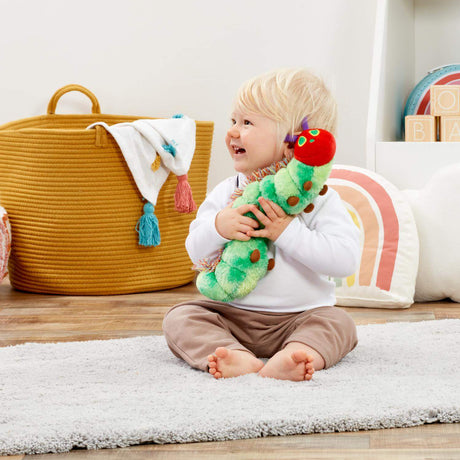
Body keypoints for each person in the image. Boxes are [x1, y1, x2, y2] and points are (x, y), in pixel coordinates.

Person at [162, 68, 360, 381]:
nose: (233, 132)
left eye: (247, 123)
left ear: (293, 140)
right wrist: (218, 227)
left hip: (302, 316)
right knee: (182, 317)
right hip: (231, 315)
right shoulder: (228, 192)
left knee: (340, 324)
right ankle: (236, 354)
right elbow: (193, 250)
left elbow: (345, 260)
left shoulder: (319, 198)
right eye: (233, 121)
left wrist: (288, 232)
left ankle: (297, 353)